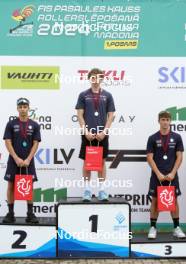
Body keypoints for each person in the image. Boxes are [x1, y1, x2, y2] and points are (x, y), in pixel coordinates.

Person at [75, 68, 115, 201]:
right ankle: (87, 190)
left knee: (102, 162)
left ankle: (102, 190)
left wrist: (104, 132)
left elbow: (111, 116)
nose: (95, 80)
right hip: (87, 134)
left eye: (98, 77)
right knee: (87, 162)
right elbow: (79, 115)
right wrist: (85, 131)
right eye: (93, 77)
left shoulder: (108, 95)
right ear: (90, 78)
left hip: (102, 135)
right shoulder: (83, 95)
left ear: (102, 79)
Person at [146, 111, 185, 239]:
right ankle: (152, 227)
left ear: (170, 121)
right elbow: (149, 158)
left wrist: (173, 173)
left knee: (173, 200)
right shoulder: (152, 138)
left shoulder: (177, 137)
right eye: (162, 119)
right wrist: (158, 173)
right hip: (157, 176)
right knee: (155, 201)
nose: (165, 122)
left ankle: (176, 227)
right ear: (159, 121)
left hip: (172, 176)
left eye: (167, 120)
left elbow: (179, 157)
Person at [3, 98, 41, 223]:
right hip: (14, 160)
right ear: (17, 108)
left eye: (25, 106)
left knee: (28, 187)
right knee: (11, 185)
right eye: (21, 107)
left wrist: (29, 159)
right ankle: (10, 213)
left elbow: (36, 143)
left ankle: (30, 214)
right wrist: (16, 158)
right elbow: (7, 142)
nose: (23, 109)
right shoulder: (11, 124)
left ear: (28, 108)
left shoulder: (34, 125)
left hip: (28, 162)